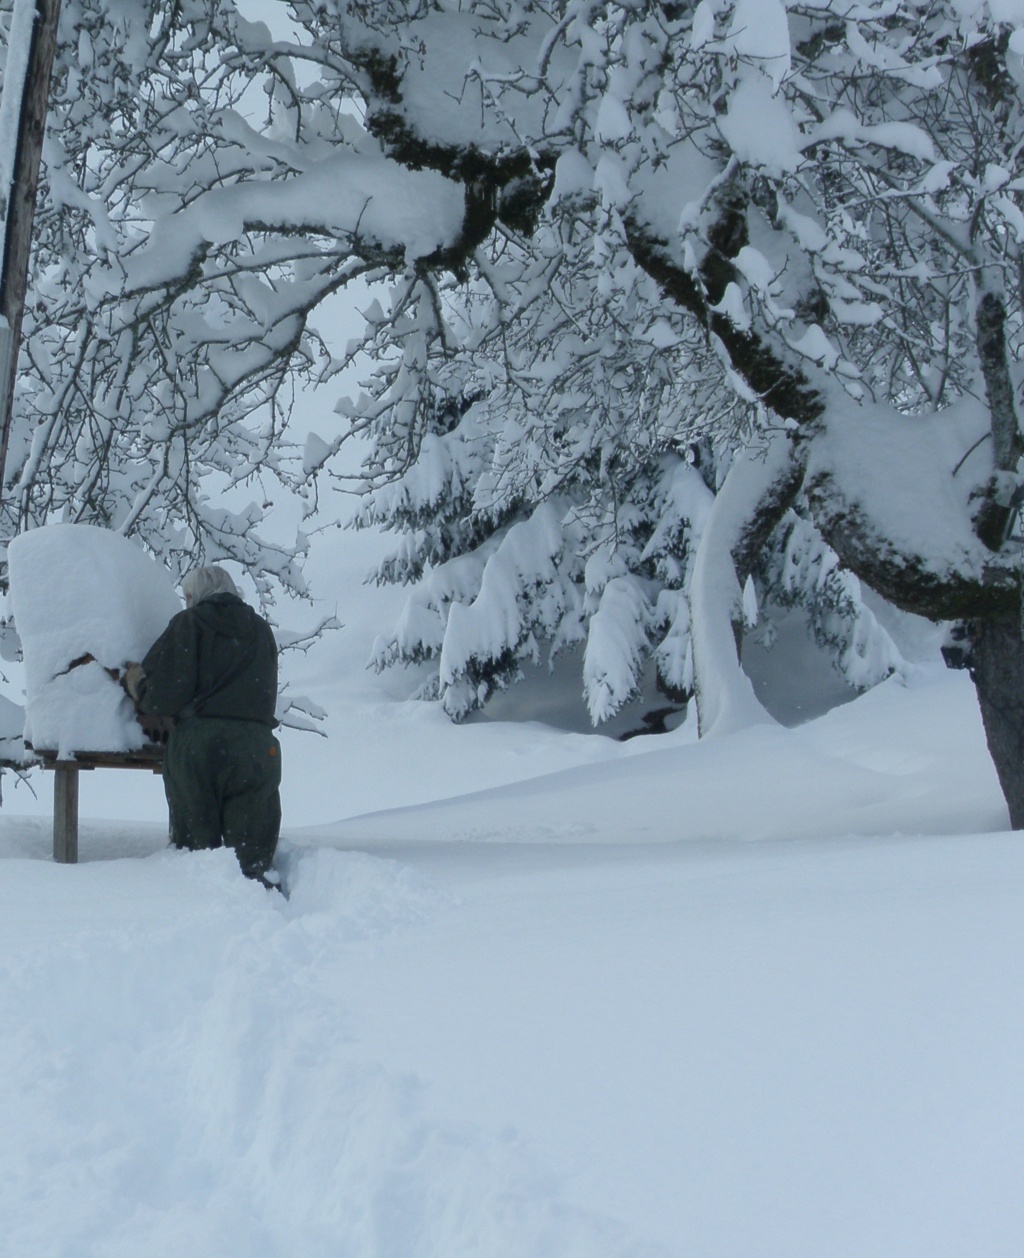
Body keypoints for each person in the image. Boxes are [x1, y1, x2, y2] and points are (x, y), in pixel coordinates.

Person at [124, 566, 282, 887]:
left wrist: (135, 682)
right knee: (252, 852)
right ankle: (261, 905)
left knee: (198, 851)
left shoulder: (190, 624)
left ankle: (204, 912)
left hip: (199, 745)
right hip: (256, 747)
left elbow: (161, 697)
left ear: (195, 595)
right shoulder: (261, 630)